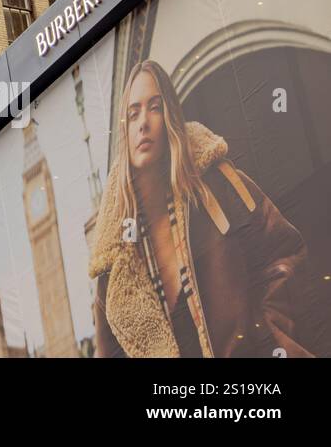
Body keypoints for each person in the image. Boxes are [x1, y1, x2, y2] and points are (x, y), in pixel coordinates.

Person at [90, 60, 310, 357]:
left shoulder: (218, 186)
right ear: (124, 132)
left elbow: (283, 252)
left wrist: (270, 336)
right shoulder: (114, 264)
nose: (143, 122)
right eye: (133, 113)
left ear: (171, 118)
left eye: (155, 107)